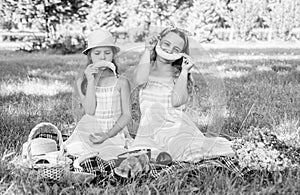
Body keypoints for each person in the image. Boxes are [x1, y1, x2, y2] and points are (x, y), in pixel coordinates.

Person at [130, 27, 234, 162]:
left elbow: (177, 102)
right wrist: (147, 50)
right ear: (158, 42)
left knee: (187, 150)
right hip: (149, 128)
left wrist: (184, 71)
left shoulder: (178, 74)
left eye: (176, 49)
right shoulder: (146, 67)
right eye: (166, 44)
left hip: (174, 126)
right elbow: (139, 81)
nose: (169, 50)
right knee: (145, 153)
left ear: (181, 54)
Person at [64, 29, 132, 160]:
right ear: (90, 56)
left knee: (112, 153)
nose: (102, 57)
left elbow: (127, 115)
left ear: (113, 55)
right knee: (80, 150)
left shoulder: (122, 82)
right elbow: (90, 111)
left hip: (114, 131)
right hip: (90, 129)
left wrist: (107, 135)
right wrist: (90, 81)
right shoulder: (82, 82)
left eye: (107, 53)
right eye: (97, 53)